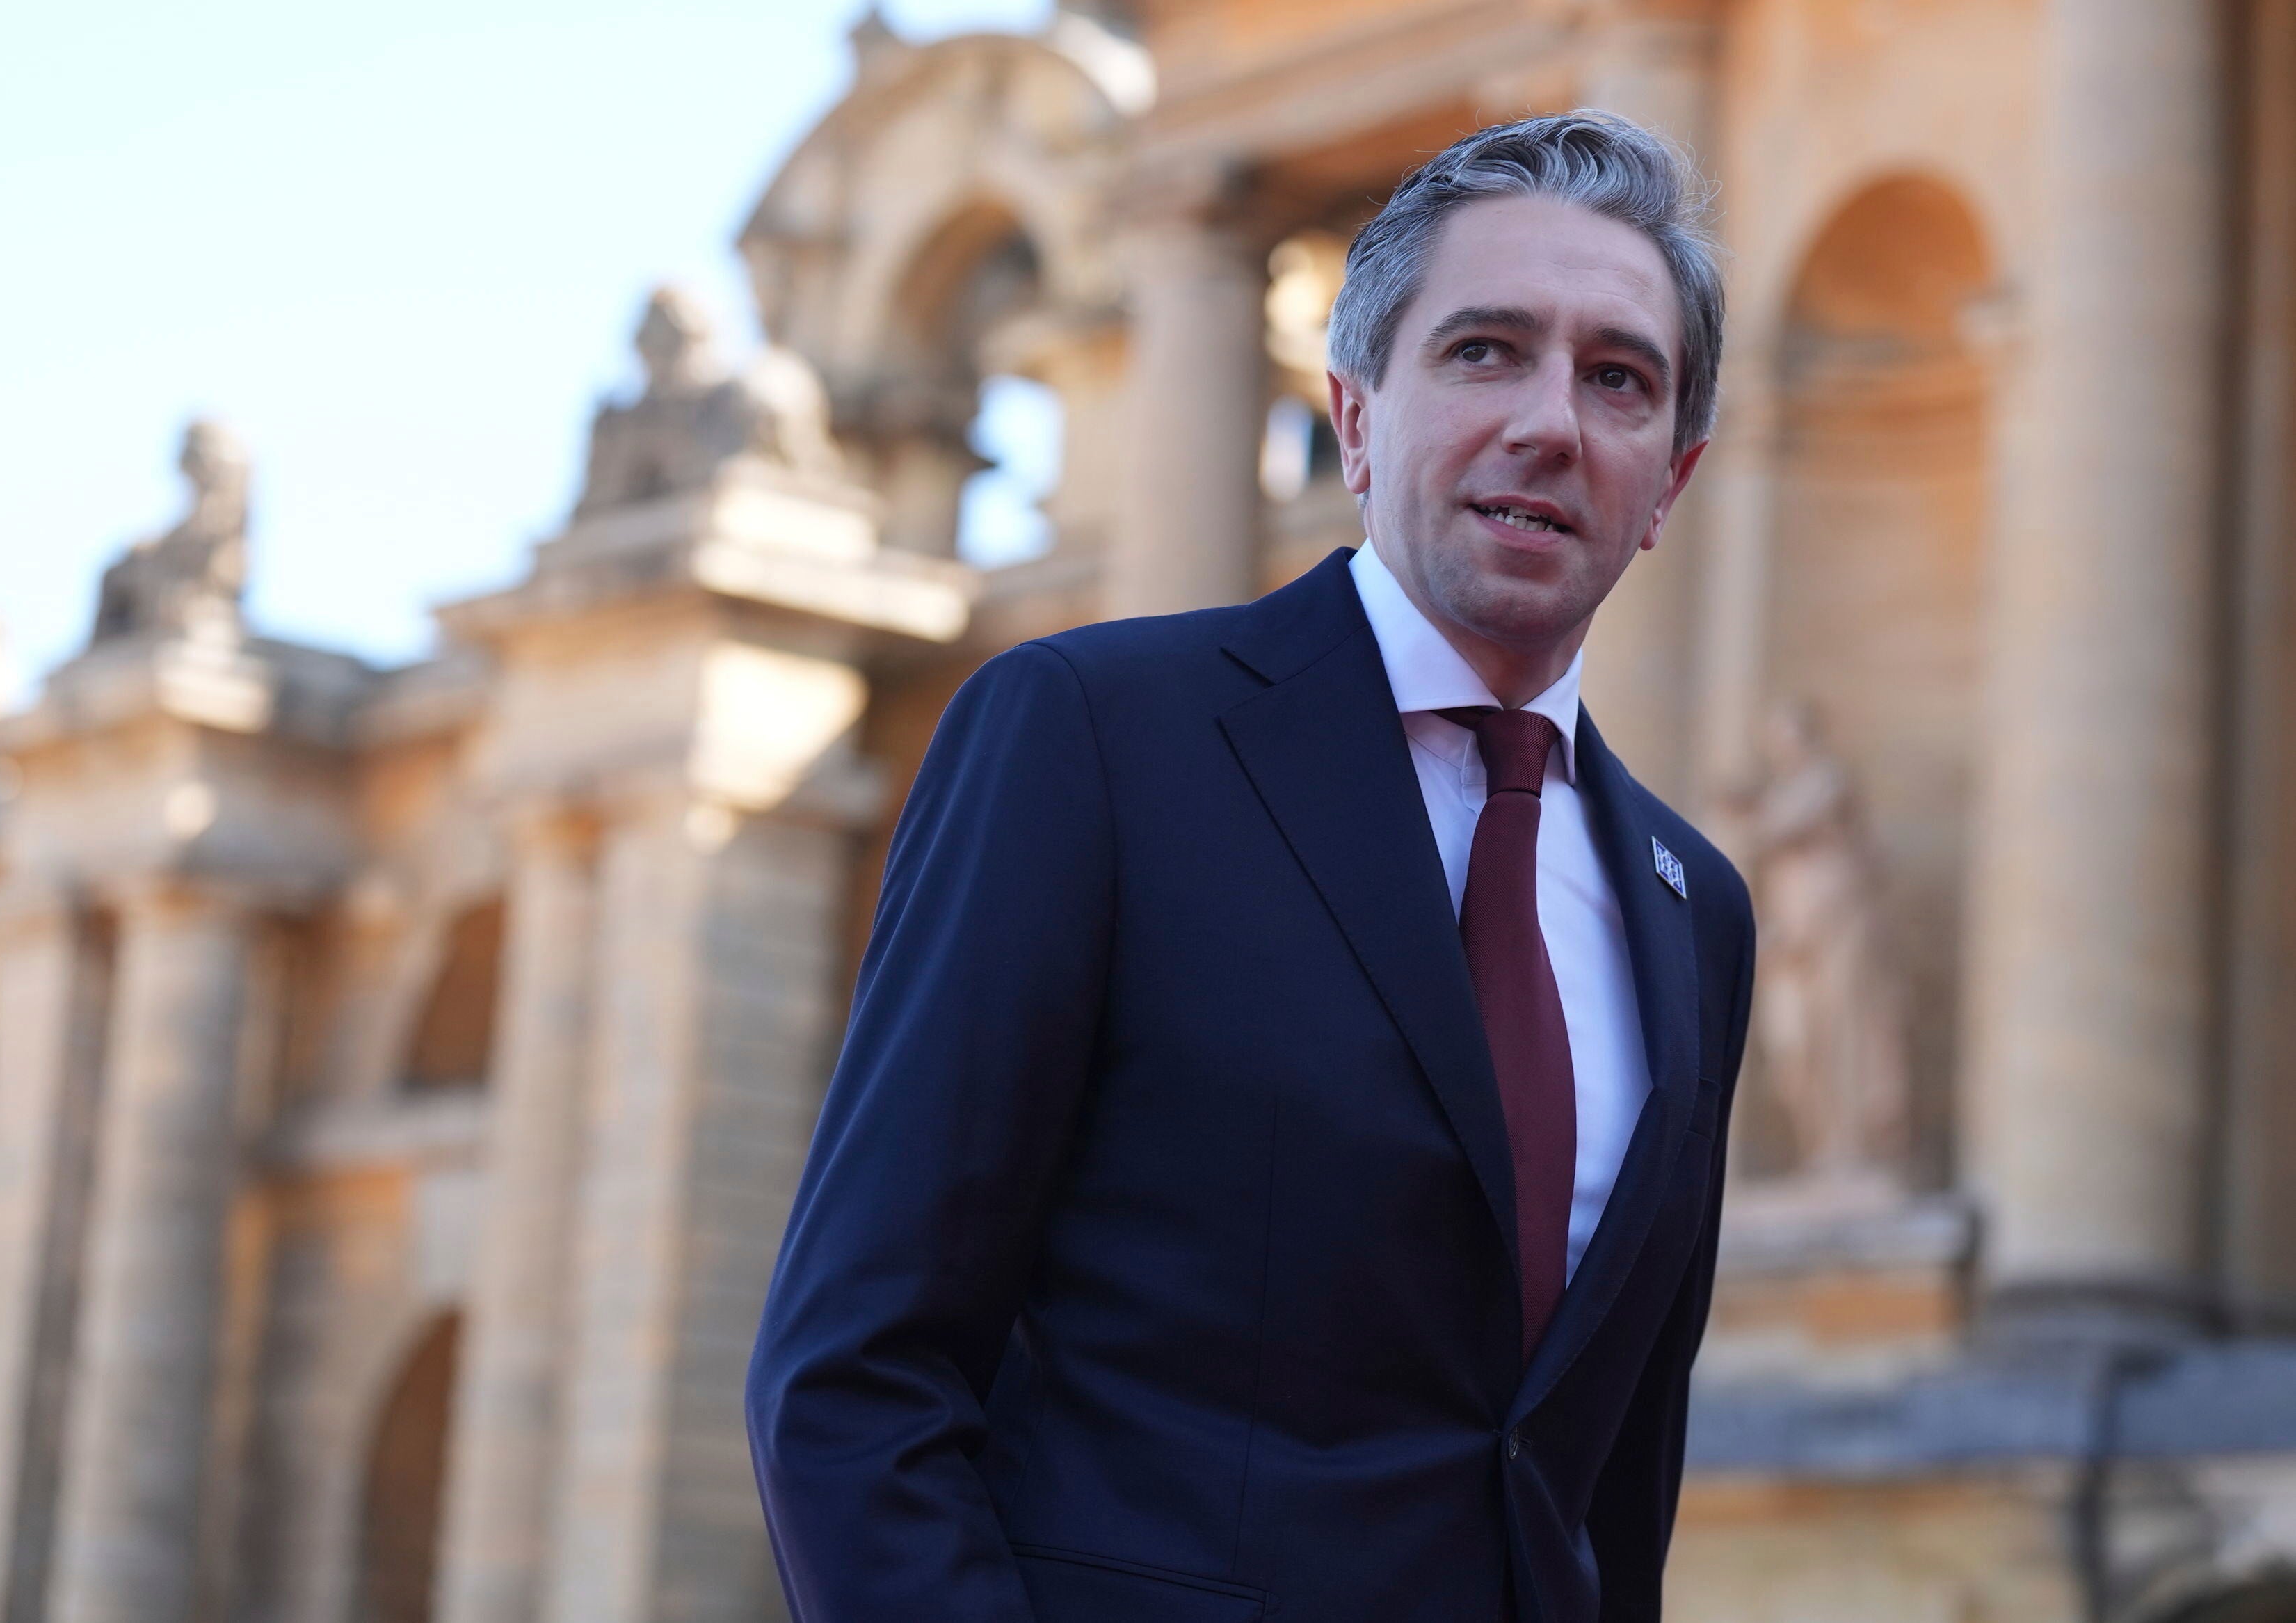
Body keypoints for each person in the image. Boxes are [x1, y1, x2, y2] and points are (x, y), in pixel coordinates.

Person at [747, 111, 1756, 1623]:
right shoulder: (1091, 738)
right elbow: (853, 1377)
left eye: (1616, 378)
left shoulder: (1696, 910)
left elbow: (1607, 1481)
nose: (1552, 420)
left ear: (1667, 481)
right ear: (1355, 416)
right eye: (1484, 351)